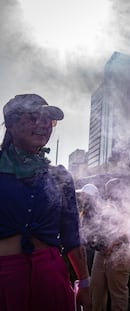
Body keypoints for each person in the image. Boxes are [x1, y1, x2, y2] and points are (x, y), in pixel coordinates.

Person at [0, 94, 91, 310]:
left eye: (48, 120)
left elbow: (72, 236)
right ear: (11, 124)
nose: (43, 125)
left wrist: (85, 283)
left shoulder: (60, 176)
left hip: (51, 275)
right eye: (33, 117)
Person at [89, 177, 130, 311]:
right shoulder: (107, 206)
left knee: (118, 294)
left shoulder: (128, 207)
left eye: (109, 190)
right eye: (106, 190)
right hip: (102, 252)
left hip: (121, 253)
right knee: (96, 288)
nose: (107, 193)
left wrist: (112, 244)